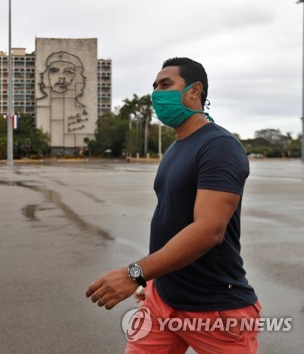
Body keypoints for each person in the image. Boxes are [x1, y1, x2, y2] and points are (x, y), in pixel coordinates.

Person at [85, 57, 260, 354]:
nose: (157, 94)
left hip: (215, 310)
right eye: (154, 87)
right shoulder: (177, 147)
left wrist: (135, 273)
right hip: (162, 300)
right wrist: (155, 280)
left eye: (166, 85)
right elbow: (171, 219)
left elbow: (208, 230)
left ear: (195, 92)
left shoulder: (219, 146)